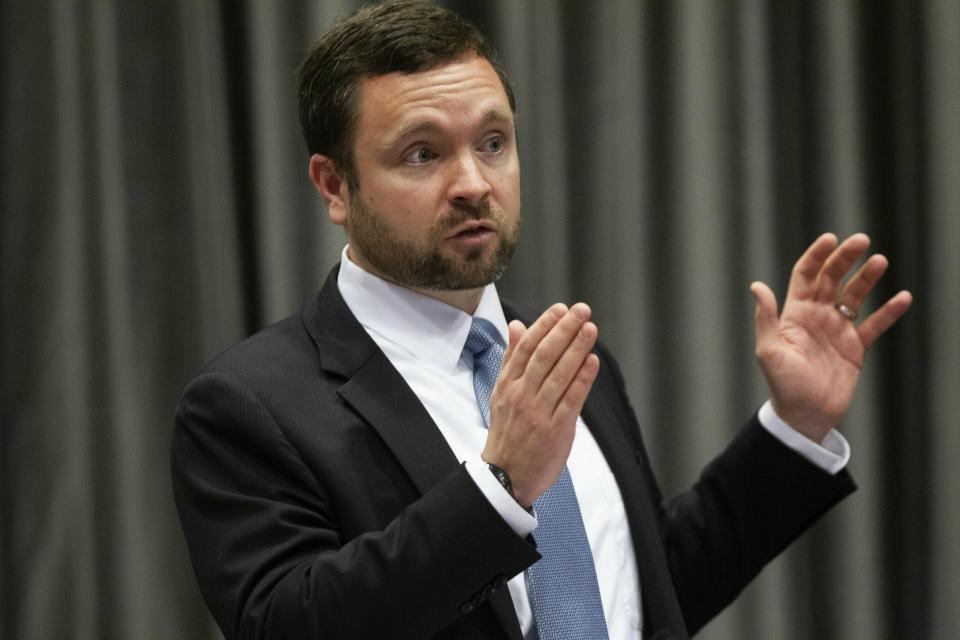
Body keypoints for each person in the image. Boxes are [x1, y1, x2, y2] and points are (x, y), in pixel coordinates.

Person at [170, 2, 913, 639]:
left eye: (493, 143)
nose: (472, 183)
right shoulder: (249, 406)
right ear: (334, 185)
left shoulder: (556, 355)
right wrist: (499, 490)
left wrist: (795, 429)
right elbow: (291, 625)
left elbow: (642, 593)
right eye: (423, 154)